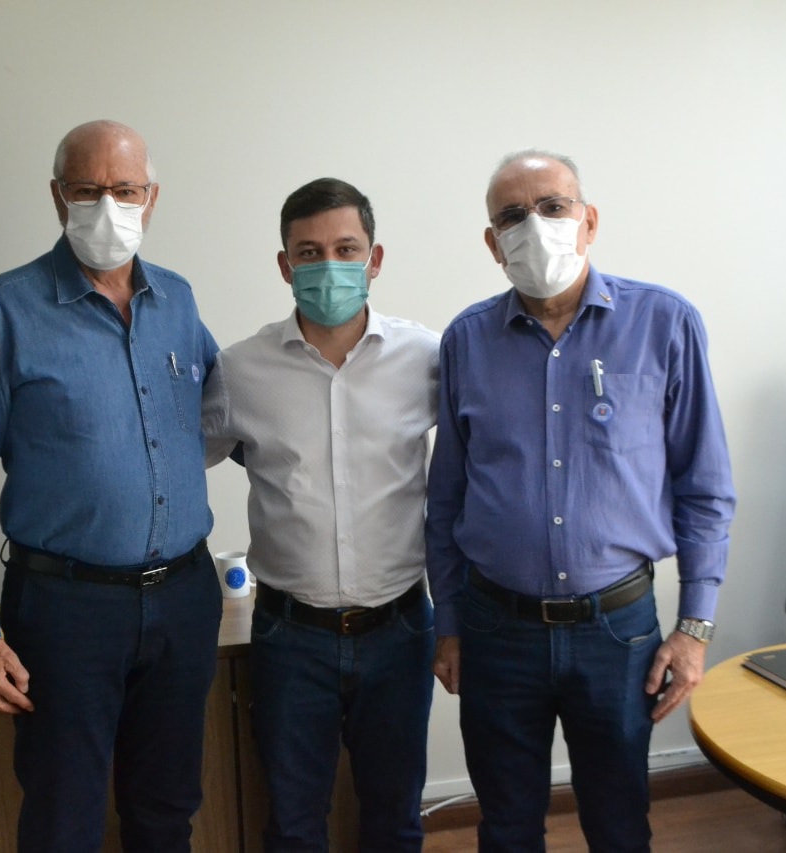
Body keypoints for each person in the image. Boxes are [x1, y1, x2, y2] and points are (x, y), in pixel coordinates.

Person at [425, 149, 736, 852]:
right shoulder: (467, 340)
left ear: (588, 220)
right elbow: (445, 497)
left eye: (552, 206)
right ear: (492, 243)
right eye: (512, 216)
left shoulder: (664, 323)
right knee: (506, 826)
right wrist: (449, 623)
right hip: (495, 629)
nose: (534, 226)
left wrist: (694, 629)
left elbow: (705, 486)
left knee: (619, 823)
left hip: (616, 630)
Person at [0, 120, 221, 853]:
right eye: (87, 190)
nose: (107, 207)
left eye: (124, 189)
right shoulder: (6, 307)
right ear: (58, 196)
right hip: (66, 609)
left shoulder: (178, 300)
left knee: (167, 809)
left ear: (151, 197)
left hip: (184, 598)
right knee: (64, 816)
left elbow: (231, 410)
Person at [202, 178, 438, 852]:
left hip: (399, 629)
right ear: (285, 265)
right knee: (293, 823)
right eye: (309, 252)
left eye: (345, 248)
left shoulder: (425, 358)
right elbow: (181, 462)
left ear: (374, 258)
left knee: (395, 818)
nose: (328, 265)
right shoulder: (240, 371)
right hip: (289, 635)